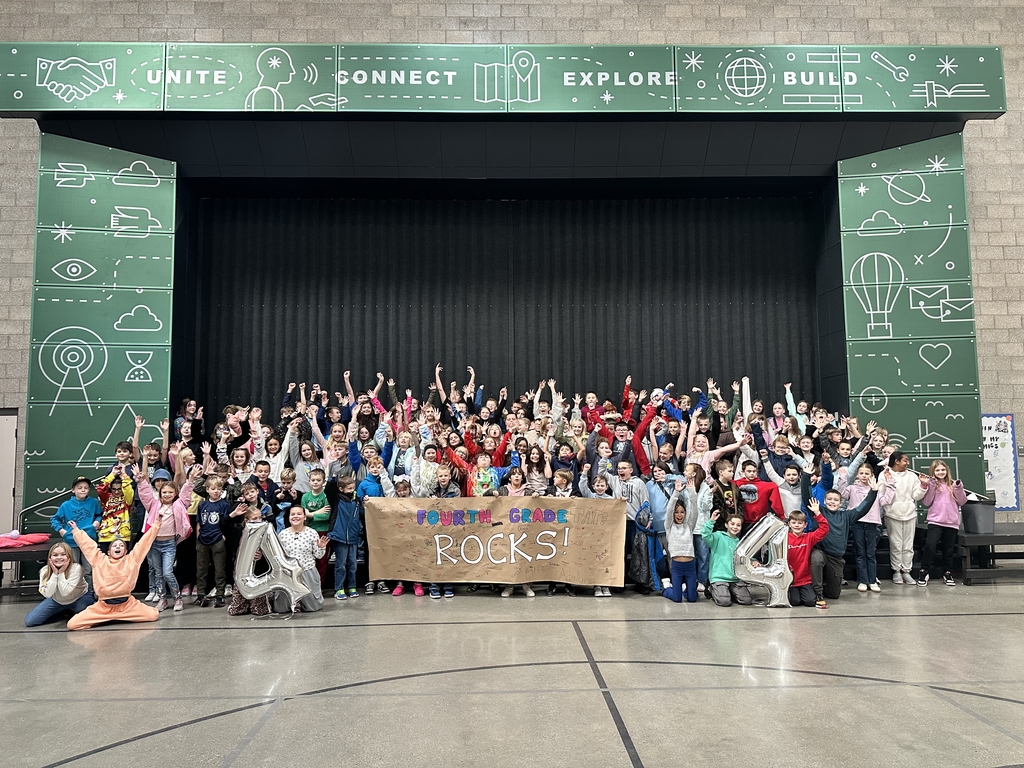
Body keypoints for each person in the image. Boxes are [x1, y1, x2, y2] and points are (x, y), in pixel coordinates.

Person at [66, 517, 163, 630]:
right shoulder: (99, 560)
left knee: (153, 615)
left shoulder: (132, 560)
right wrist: (76, 530)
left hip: (127, 606)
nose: (118, 547)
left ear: (125, 552)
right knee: (72, 625)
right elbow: (88, 546)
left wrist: (156, 524)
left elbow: (143, 544)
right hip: (103, 608)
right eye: (115, 545)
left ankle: (120, 617)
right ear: (108, 551)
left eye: (121, 546)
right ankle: (106, 618)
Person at [137, 461, 198, 612]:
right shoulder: (153, 504)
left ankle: (177, 598)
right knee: (158, 573)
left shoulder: (179, 505)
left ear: (175, 493)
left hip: (169, 544)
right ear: (160, 493)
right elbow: (145, 494)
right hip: (154, 544)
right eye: (164, 492)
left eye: (170, 492)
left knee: (167, 573)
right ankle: (162, 599)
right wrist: (141, 481)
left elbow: (186, 494)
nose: (167, 494)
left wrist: (190, 480)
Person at [840, 464, 896, 593]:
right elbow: (842, 493)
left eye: (867, 473)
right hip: (857, 523)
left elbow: (886, 501)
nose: (864, 476)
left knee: (870, 553)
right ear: (857, 475)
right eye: (861, 473)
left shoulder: (875, 489)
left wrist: (890, 483)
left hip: (872, 523)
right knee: (860, 552)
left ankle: (872, 580)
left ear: (871, 475)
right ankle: (862, 580)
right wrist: (842, 477)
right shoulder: (852, 488)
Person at [917, 460, 968, 586]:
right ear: (933, 472)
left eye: (943, 470)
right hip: (935, 521)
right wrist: (930, 486)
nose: (941, 472)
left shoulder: (953, 485)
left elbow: (962, 501)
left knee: (948, 548)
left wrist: (958, 488)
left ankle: (947, 572)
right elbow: (927, 502)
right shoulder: (931, 484)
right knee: (930, 545)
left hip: (951, 522)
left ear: (947, 470)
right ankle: (924, 571)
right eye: (937, 470)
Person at [882, 451, 927, 585]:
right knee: (896, 544)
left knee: (908, 545)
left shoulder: (912, 476)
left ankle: (906, 571)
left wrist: (923, 486)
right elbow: (881, 495)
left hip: (910, 514)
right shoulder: (884, 475)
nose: (908, 463)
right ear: (896, 461)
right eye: (905, 460)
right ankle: (896, 571)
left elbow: (916, 495)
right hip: (892, 514)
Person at [24, 541, 94, 627]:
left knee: (89, 619)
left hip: (79, 598)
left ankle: (70, 612)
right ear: (50, 558)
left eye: (63, 554)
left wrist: (60, 574)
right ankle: (64, 613)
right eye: (55, 555)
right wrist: (55, 574)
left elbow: (65, 592)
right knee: (30, 621)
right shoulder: (44, 570)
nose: (59, 557)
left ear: (69, 557)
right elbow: (47, 594)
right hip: (56, 600)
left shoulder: (76, 568)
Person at [49, 476, 101, 583]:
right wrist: (61, 530)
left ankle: (89, 590)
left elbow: (99, 514)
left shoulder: (94, 502)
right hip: (71, 540)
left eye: (85, 488)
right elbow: (54, 519)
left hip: (88, 539)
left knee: (88, 568)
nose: (83, 490)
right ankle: (73, 590)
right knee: (72, 567)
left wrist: (97, 521)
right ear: (73, 490)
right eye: (79, 488)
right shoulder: (66, 505)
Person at [276, 506, 328, 612]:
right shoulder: (282, 534)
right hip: (288, 572)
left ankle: (304, 602)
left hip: (307, 570)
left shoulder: (312, 533)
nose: (296, 516)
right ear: (289, 517)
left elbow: (318, 556)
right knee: (281, 609)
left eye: (299, 514)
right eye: (293, 514)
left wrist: (321, 547)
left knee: (313, 607)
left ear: (304, 517)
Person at [701, 511, 753, 607]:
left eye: (738, 525)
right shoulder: (718, 537)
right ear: (726, 525)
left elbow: (746, 557)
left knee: (746, 600)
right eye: (732, 524)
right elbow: (705, 535)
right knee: (724, 601)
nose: (735, 527)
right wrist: (711, 521)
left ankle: (729, 591)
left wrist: (754, 561)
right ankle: (712, 589)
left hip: (735, 578)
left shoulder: (740, 543)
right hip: (719, 577)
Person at [782, 502, 830, 607]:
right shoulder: (784, 538)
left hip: (805, 579)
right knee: (795, 601)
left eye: (800, 523)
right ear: (789, 524)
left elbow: (824, 529)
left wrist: (817, 513)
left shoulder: (809, 537)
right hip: (791, 579)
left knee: (810, 602)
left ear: (805, 525)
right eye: (794, 523)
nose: (796, 525)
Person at [194, 476, 230, 607]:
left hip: (217, 539)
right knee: (201, 568)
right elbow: (199, 522)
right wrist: (198, 536)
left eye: (219, 489)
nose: (216, 491)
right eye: (213, 489)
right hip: (202, 539)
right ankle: (201, 594)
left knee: (219, 569)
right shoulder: (202, 505)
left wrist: (223, 536)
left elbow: (227, 522)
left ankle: (220, 594)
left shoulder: (224, 504)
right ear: (207, 489)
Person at [661, 478, 697, 603]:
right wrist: (676, 492)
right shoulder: (669, 526)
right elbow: (669, 509)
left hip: (690, 566)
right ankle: (666, 588)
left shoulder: (689, 525)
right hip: (677, 567)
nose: (679, 515)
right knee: (677, 598)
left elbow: (695, 509)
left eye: (682, 512)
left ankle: (688, 588)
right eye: (676, 512)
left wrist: (692, 492)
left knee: (692, 598)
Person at [326, 475, 361, 601]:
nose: (352, 490)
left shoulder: (356, 500)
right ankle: (339, 588)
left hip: (353, 536)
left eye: (353, 487)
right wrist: (332, 478)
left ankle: (352, 587)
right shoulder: (336, 498)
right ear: (341, 489)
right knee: (340, 564)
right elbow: (328, 491)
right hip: (339, 536)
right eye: (349, 488)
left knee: (353, 564)